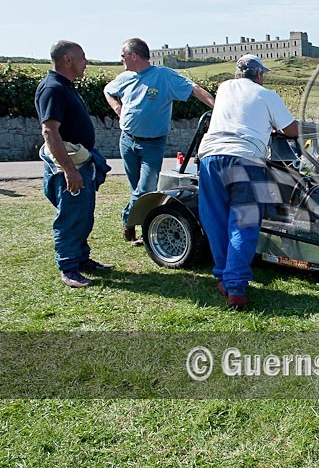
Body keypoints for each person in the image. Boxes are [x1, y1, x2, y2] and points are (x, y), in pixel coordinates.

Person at [197, 54, 298, 310]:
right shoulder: (267, 95)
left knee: (216, 220)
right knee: (243, 223)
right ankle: (237, 288)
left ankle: (223, 277)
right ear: (259, 74)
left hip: (210, 157)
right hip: (245, 159)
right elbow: (291, 129)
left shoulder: (223, 88)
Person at [104, 38, 215, 244]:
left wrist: (217, 108)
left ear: (133, 56)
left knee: (145, 188)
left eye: (123, 56)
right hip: (127, 141)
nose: (121, 60)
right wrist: (117, 108)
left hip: (152, 144)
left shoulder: (163, 76)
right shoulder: (125, 77)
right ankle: (140, 227)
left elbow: (194, 89)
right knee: (135, 187)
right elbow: (108, 91)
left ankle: (128, 221)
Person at [35, 40, 112, 288]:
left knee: (82, 214)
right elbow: (50, 131)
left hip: (80, 162)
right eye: (82, 57)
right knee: (70, 216)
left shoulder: (64, 86)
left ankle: (81, 259)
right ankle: (69, 268)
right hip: (69, 166)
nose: (86, 62)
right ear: (67, 59)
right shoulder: (53, 88)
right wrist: (69, 170)